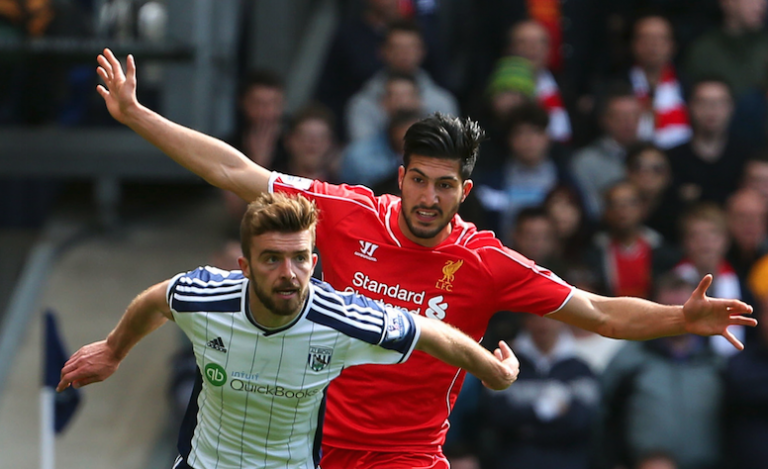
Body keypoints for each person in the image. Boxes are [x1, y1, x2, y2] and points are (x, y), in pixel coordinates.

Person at [95, 49, 755, 469]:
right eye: (419, 179)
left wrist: (678, 317)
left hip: (411, 454)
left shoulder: (487, 260)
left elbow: (601, 313)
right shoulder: (351, 212)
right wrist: (135, 115)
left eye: (445, 185)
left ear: (464, 190)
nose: (429, 197)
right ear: (401, 175)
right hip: (315, 448)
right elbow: (237, 171)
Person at [56, 192, 519, 469]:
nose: (289, 273)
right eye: (272, 259)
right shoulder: (206, 297)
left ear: (314, 262)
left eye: (300, 258)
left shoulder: (340, 318)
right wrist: (114, 349)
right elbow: (158, 299)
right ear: (244, 266)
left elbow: (427, 331)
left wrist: (490, 371)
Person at [628, 14, 691, 149]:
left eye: (660, 39)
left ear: (672, 45)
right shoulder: (618, 83)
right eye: (646, 38)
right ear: (634, 44)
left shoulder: (689, 86)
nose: (653, 45)